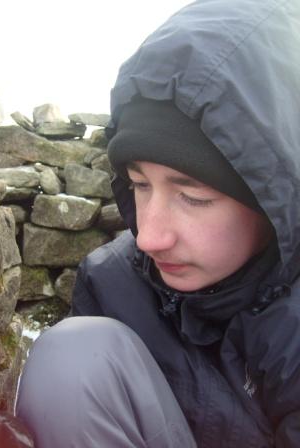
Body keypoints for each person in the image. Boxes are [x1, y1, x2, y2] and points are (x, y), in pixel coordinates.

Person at [16, 0, 300, 447]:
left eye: (193, 196)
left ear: (275, 197)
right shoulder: (114, 283)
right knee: (74, 359)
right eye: (138, 184)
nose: (148, 237)